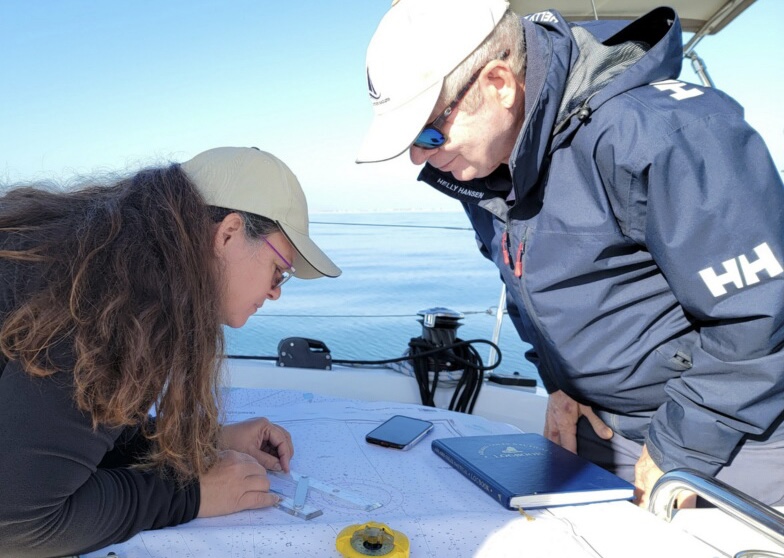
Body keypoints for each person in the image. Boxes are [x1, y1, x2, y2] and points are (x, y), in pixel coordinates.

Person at [356, 0, 784, 507]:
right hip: (598, 427)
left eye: (428, 131)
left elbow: (760, 315)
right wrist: (561, 384)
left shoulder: (665, 132)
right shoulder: (483, 170)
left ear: (498, 83)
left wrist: (679, 449)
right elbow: (528, 285)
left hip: (732, 440)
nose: (419, 156)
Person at [0, 146, 341, 557]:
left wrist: (208, 438)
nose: (275, 292)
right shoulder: (106, 302)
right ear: (228, 233)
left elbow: (73, 432)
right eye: (280, 270)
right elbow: (19, 525)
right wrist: (191, 494)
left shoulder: (106, 267)